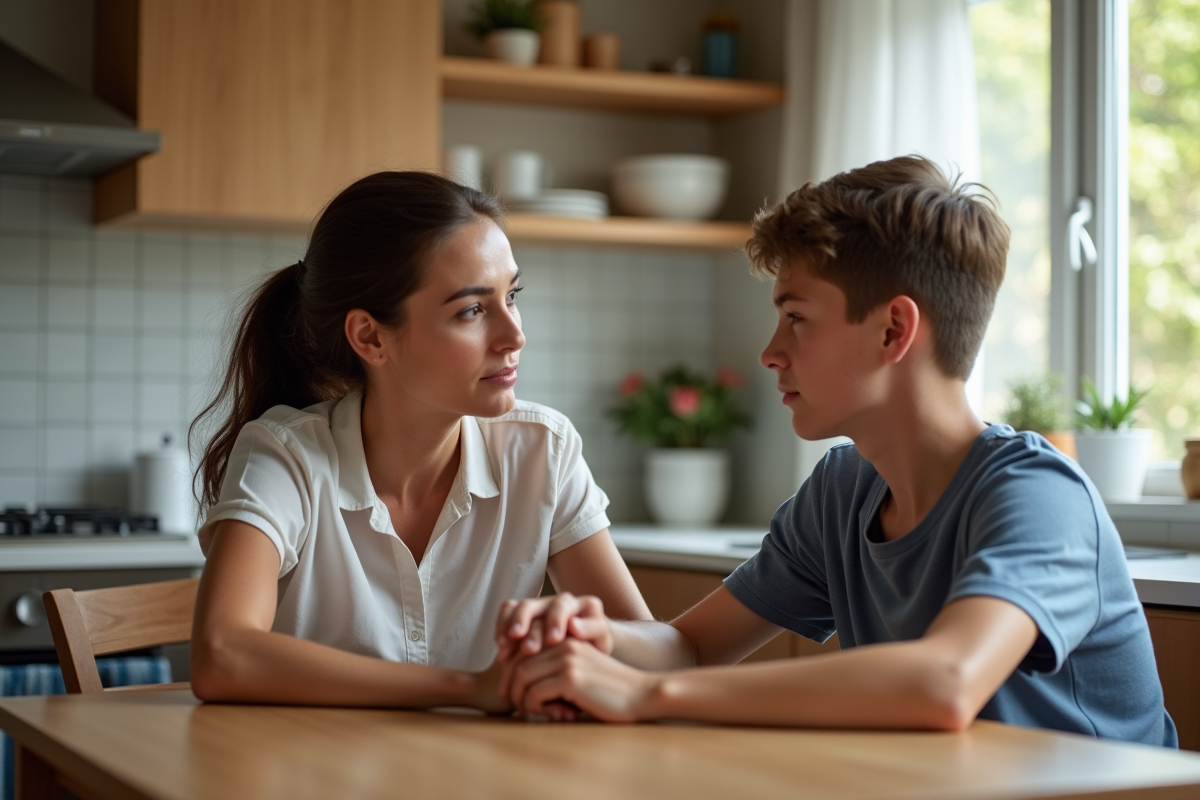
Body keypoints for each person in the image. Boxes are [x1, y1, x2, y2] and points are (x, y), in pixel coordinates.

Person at [494, 156, 1177, 747]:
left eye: (796, 318)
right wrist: (596, 638)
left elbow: (946, 683)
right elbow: (692, 647)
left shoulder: (1039, 495)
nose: (770, 352)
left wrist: (646, 695)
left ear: (893, 331)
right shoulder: (844, 489)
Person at [188, 171, 651, 711]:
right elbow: (221, 656)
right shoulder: (286, 455)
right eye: (472, 310)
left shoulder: (542, 450)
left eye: (512, 296)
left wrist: (592, 634)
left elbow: (655, 650)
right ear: (370, 337)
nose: (515, 335)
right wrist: (471, 688)